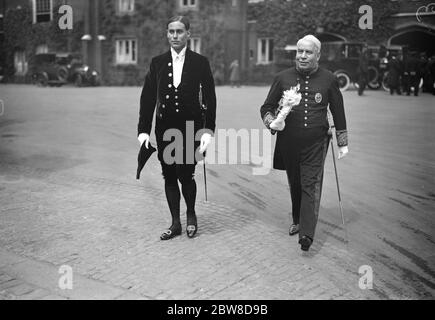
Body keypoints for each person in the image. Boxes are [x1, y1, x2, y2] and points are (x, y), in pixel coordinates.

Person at [260, 35, 348, 252]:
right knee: (296, 183)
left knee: (311, 184)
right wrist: (273, 122)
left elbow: (338, 111)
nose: (302, 56)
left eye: (308, 52)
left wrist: (342, 141)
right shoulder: (282, 77)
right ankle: (298, 219)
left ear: (318, 55)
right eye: (299, 51)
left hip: (316, 143)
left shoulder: (328, 79)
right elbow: (266, 108)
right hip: (288, 142)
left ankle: (306, 234)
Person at [137, 16, 216, 240]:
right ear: (167, 34)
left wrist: (208, 131)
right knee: (169, 176)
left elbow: (210, 98)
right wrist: (143, 130)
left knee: (186, 175)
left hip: (191, 129)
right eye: (171, 31)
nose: (174, 36)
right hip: (165, 129)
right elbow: (148, 98)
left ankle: (191, 215)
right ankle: (175, 222)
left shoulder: (200, 62)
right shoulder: (157, 62)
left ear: (188, 34)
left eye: (179, 31)